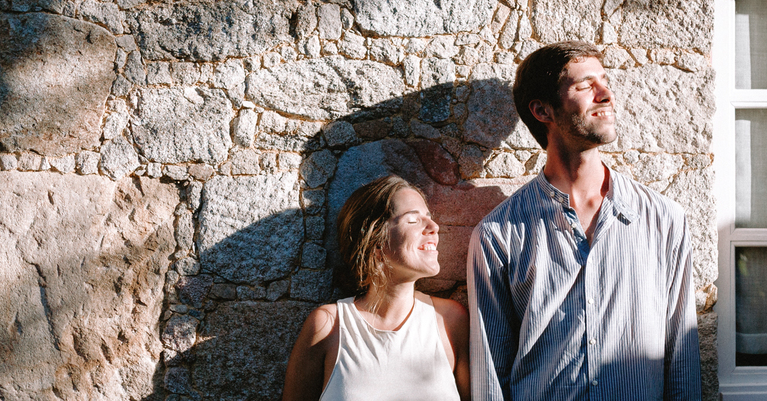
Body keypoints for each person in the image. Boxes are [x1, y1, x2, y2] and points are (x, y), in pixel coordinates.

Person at [468, 41, 701, 400]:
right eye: (584, 86)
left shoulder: (663, 219)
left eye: (604, 81)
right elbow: (490, 373)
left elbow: (681, 356)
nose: (606, 94)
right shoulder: (499, 234)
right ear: (543, 110)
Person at [282, 174, 470, 401]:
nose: (434, 227)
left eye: (429, 217)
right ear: (375, 242)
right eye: (413, 220)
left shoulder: (450, 321)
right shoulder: (328, 326)